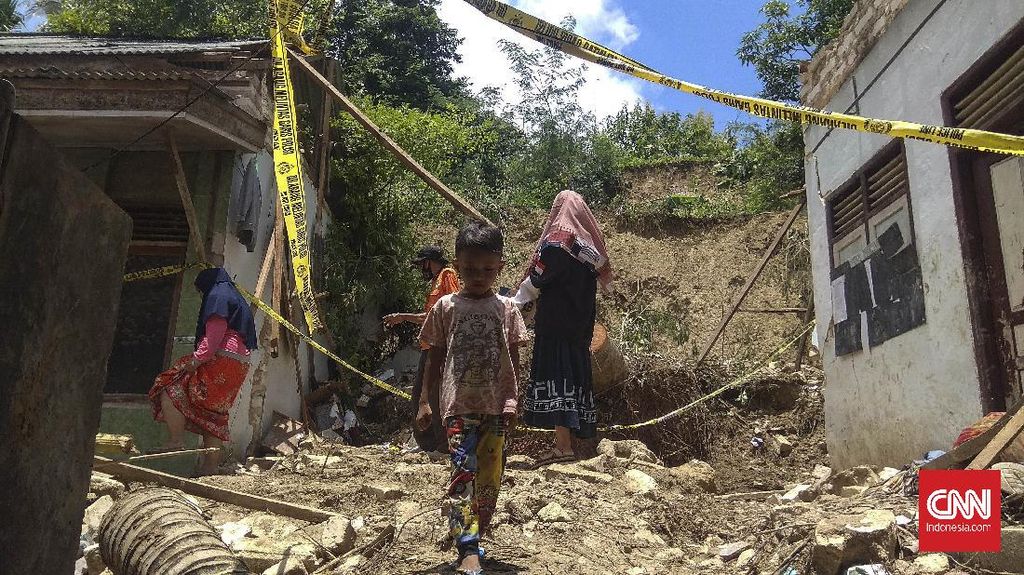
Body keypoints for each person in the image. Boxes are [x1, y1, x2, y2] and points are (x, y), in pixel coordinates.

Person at [418, 222, 529, 575]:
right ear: (457, 264)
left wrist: (514, 401)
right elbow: (434, 358)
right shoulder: (446, 307)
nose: (478, 276)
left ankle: (476, 533)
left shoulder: (507, 309)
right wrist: (424, 401)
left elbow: (514, 359)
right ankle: (467, 546)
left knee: (491, 477)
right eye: (469, 269)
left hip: (496, 409)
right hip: (458, 408)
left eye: (486, 269)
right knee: (462, 473)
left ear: (500, 265)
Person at [513, 190, 612, 466]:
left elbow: (537, 279)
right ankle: (571, 446)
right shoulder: (590, 251)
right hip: (579, 328)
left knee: (558, 380)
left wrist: (515, 300)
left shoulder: (557, 244)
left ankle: (563, 447)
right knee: (573, 379)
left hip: (555, 325)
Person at [148, 267, 258, 476]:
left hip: (221, 358)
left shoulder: (217, 296)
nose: (202, 296)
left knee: (169, 386)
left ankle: (175, 440)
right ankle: (210, 468)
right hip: (239, 362)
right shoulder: (234, 296)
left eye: (200, 292)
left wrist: (197, 359)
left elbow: (215, 334)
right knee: (213, 414)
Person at [383, 245, 460, 452]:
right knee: (420, 395)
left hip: (440, 347)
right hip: (429, 345)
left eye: (422, 264)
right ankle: (427, 444)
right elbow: (430, 317)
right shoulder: (436, 281)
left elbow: (451, 310)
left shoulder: (447, 275)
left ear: (430, 261)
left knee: (433, 396)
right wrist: (402, 317)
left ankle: (442, 445)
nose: (421, 269)